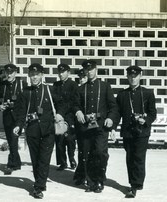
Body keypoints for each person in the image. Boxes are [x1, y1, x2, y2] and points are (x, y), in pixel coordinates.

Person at [13, 63, 65, 199]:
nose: (34, 77)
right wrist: (18, 125)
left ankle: (38, 186)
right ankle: (40, 182)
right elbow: (21, 112)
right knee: (35, 159)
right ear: (29, 76)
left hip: (48, 130)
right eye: (32, 75)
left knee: (44, 159)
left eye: (37, 74)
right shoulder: (25, 92)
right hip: (32, 130)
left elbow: (61, 103)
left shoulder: (49, 90)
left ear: (42, 75)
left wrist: (60, 113)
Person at [74, 59, 119, 193]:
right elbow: (75, 104)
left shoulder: (105, 86)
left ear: (96, 70)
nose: (89, 72)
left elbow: (113, 106)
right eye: (87, 70)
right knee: (87, 154)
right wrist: (78, 111)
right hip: (86, 127)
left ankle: (99, 179)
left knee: (100, 152)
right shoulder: (81, 88)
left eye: (92, 69)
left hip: (100, 126)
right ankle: (92, 182)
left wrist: (111, 118)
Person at [115, 65, 157, 198]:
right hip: (127, 131)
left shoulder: (148, 93)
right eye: (130, 76)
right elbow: (117, 113)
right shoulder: (122, 95)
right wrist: (112, 128)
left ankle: (135, 185)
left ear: (140, 76)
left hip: (142, 132)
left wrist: (146, 121)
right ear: (127, 77)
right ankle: (135, 182)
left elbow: (153, 113)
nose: (133, 79)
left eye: (136, 76)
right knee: (130, 158)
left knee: (138, 157)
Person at [0, 63, 27, 175]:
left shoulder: (22, 84)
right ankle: (17, 163)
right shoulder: (2, 85)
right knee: (11, 140)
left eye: (11, 72)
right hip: (7, 116)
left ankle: (11, 164)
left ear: (15, 73)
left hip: (18, 117)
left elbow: (27, 99)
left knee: (13, 139)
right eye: (7, 72)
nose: (9, 75)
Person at [53, 63, 78, 171]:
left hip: (69, 116)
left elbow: (73, 102)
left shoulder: (73, 85)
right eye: (59, 72)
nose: (61, 74)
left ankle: (72, 158)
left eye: (63, 72)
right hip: (58, 116)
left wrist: (62, 113)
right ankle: (62, 162)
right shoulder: (56, 85)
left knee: (70, 139)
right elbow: (54, 101)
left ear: (68, 72)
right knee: (59, 140)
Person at [73, 67, 88, 185]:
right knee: (82, 150)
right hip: (80, 125)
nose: (82, 79)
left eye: (84, 77)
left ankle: (89, 175)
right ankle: (80, 174)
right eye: (80, 77)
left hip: (93, 125)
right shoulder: (78, 90)